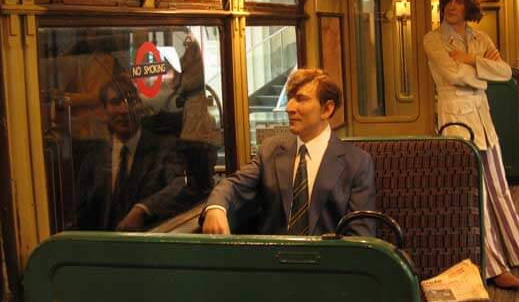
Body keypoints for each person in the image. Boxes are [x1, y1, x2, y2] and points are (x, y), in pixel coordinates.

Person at [423, 0, 519, 290]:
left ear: (468, 7)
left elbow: (506, 73)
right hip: (456, 121)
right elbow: (453, 75)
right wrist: (483, 75)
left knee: (499, 189)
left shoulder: (479, 38)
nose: (452, 7)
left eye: (459, 2)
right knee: (477, 196)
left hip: (484, 120)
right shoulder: (433, 40)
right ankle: (493, 267)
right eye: (449, 1)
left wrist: (472, 61)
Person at [201, 69, 376, 237]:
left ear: (327, 109)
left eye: (300, 99)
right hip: (273, 261)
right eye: (290, 98)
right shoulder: (270, 150)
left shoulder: (357, 162)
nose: (289, 108)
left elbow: (360, 236)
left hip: (328, 263)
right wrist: (216, 207)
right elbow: (233, 185)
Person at [75, 74, 193, 231]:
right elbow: (81, 216)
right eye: (116, 102)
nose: (124, 110)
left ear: (140, 107)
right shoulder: (93, 159)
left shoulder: (165, 148)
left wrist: (142, 210)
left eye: (130, 100)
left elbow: (181, 185)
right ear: (104, 111)